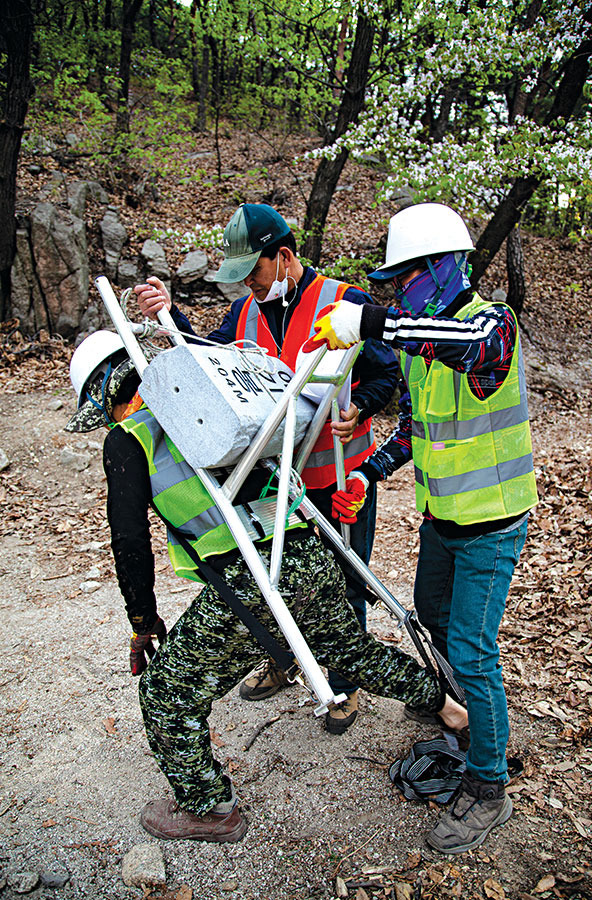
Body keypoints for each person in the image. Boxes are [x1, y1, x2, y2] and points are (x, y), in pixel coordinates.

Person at [65, 332, 468, 843]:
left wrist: (144, 625)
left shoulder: (130, 437)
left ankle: (208, 808)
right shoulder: (220, 402)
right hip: (302, 550)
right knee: (351, 649)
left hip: (250, 578)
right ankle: (449, 707)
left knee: (167, 690)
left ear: (105, 394)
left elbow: (129, 542)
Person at [304, 202, 538, 855]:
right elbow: (419, 427)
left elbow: (472, 351)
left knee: (471, 647)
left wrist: (371, 320)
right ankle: (461, 705)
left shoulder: (489, 324)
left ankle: (488, 787)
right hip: (444, 519)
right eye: (393, 285)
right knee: (430, 617)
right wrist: (367, 474)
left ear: (442, 268)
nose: (397, 291)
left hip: (494, 521)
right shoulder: (419, 339)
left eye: (405, 278)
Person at [133, 203, 399, 734]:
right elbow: (208, 354)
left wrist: (361, 408)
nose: (248, 287)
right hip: (275, 480)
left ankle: (344, 682)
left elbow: (386, 374)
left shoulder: (345, 302)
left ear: (283, 256)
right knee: (272, 576)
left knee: (343, 579)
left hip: (336, 474)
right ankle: (282, 658)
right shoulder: (247, 312)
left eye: (252, 272)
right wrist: (170, 315)